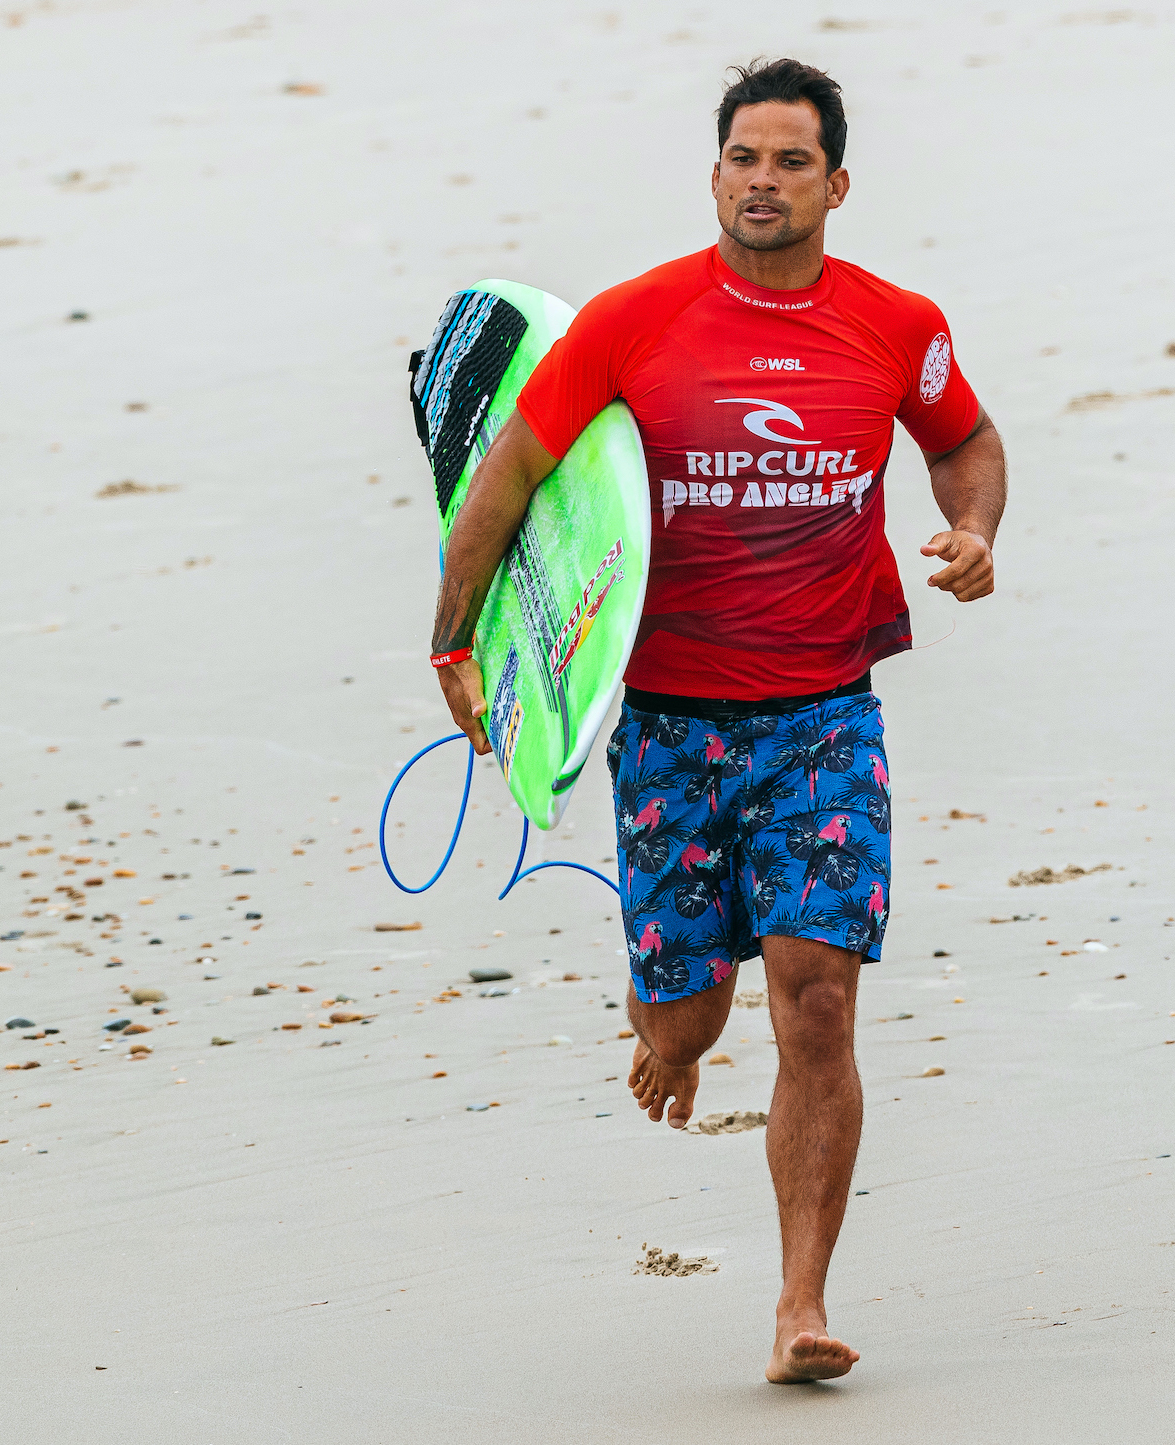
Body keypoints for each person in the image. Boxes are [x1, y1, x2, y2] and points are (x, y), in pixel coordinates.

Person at [429, 57, 1007, 1384]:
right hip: (671, 727)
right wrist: (455, 634)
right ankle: (673, 1025)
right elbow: (508, 479)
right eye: (743, 157)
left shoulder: (895, 325)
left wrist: (972, 529)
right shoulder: (632, 324)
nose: (763, 181)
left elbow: (968, 442)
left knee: (817, 1005)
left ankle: (800, 1305)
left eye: (791, 161)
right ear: (715, 175)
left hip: (822, 719)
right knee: (686, 1025)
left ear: (837, 183)